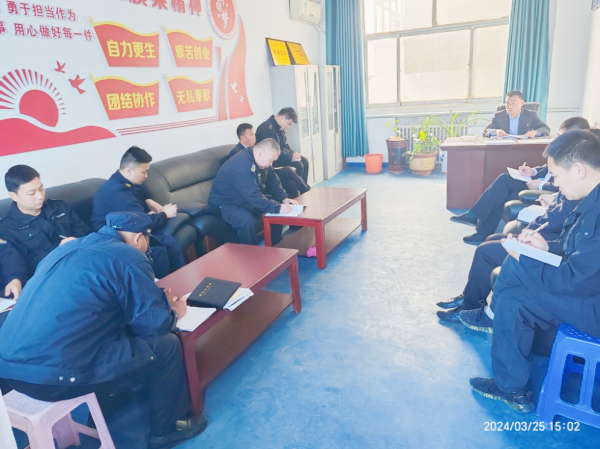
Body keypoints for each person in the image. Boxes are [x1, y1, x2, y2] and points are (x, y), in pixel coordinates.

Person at [0, 211, 207, 448]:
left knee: (109, 335)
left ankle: (108, 405)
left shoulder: (67, 248)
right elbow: (155, 325)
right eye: (148, 243)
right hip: (52, 377)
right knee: (166, 345)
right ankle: (166, 431)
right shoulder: (129, 256)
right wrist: (173, 311)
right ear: (139, 238)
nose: (147, 248)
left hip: (9, 369)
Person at [469, 130, 600, 413]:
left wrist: (528, 258)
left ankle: (509, 381)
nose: (554, 183)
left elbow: (576, 281)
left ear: (579, 170)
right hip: (590, 293)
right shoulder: (592, 200)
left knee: (517, 278)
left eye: (557, 175)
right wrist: (546, 246)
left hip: (594, 306)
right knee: (515, 293)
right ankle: (511, 384)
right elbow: (583, 253)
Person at [437, 193, 579, 323]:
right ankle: (470, 297)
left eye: (557, 177)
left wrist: (556, 203)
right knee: (491, 239)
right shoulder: (574, 190)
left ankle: (470, 306)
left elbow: (555, 220)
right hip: (553, 240)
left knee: (485, 251)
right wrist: (556, 199)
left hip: (556, 247)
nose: (555, 183)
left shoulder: (578, 195)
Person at [452, 117, 589, 244]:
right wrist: (533, 171)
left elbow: (568, 186)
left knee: (504, 184)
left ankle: (477, 219)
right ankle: (482, 230)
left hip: (546, 190)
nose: (560, 139)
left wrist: (541, 185)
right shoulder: (569, 149)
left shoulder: (581, 158)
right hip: (538, 181)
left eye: (564, 135)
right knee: (503, 186)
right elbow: (548, 168)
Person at [91, 146, 187, 277]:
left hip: (128, 229)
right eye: (143, 172)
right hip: (113, 241)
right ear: (129, 171)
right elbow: (141, 222)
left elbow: (140, 192)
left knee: (170, 242)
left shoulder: (121, 180)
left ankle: (181, 278)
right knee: (164, 246)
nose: (146, 176)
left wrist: (148, 199)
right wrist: (165, 214)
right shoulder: (118, 193)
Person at [0, 165, 90, 278]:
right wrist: (59, 250)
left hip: (83, 261)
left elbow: (85, 234)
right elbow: (22, 268)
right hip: (51, 277)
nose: (40, 196)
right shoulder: (6, 229)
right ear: (13, 196)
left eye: (41, 188)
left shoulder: (59, 206)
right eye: (31, 193)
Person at [208, 138, 298, 245]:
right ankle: (252, 253)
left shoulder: (259, 161)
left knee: (275, 206)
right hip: (226, 203)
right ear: (261, 153)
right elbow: (253, 195)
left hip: (243, 199)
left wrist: (283, 197)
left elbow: (272, 178)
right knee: (247, 221)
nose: (271, 164)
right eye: (270, 160)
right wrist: (277, 208)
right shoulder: (242, 164)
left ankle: (276, 244)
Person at [231, 123, 310, 198]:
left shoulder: (254, 148)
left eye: (254, 134)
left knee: (291, 184)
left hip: (266, 174)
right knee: (287, 170)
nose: (254, 137)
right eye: (251, 135)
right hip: (259, 181)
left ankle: (295, 204)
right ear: (242, 137)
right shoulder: (237, 153)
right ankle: (307, 190)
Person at [256, 107, 310, 183]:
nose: (288, 127)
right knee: (298, 165)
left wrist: (293, 154)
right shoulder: (267, 129)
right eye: (288, 124)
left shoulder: (279, 128)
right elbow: (273, 152)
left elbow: (284, 145)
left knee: (304, 161)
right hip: (271, 160)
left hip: (281, 156)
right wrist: (290, 157)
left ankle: (303, 187)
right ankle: (299, 187)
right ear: (282, 118)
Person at [483, 90, 550, 138]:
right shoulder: (498, 116)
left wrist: (535, 132)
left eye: (513, 103)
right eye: (507, 103)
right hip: (504, 148)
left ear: (521, 103)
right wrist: (495, 132)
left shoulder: (530, 115)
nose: (510, 106)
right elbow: (486, 130)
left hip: (524, 148)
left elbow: (545, 128)